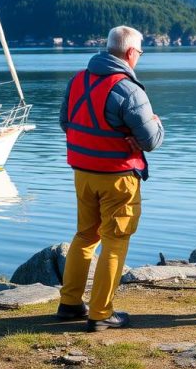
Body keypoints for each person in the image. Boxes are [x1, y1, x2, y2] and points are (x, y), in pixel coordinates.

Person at [57, 25, 164, 332]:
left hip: (83, 174)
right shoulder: (129, 90)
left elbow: (66, 121)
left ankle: (70, 303)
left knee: (85, 236)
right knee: (114, 242)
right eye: (140, 53)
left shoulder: (78, 79)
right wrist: (156, 123)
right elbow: (151, 141)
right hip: (118, 177)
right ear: (131, 53)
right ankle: (101, 313)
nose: (139, 57)